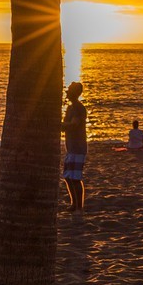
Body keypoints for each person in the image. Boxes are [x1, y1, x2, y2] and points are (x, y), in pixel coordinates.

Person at [61, 81, 87, 212]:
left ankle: (78, 206)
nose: (67, 92)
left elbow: (74, 124)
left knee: (75, 178)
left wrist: (59, 124)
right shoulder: (70, 108)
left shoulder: (78, 108)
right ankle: (74, 203)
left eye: (70, 90)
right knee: (67, 176)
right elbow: (66, 125)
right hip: (71, 147)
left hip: (78, 146)